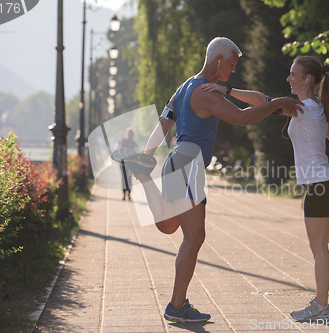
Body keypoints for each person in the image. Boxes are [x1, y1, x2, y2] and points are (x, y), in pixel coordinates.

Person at [113, 37, 304, 323]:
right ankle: (176, 306)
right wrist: (276, 103)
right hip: (188, 165)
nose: (233, 70)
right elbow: (241, 119)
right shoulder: (206, 93)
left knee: (169, 226)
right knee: (194, 237)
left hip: (177, 162)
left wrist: (148, 154)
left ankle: (144, 176)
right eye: (231, 64)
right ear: (217, 61)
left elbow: (163, 122)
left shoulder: (183, 88)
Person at [201, 55, 329, 321]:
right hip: (323, 182)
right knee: (321, 241)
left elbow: (262, 101)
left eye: (293, 74)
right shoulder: (317, 108)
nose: (288, 79)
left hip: (318, 184)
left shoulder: (302, 107)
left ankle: (321, 306)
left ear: (307, 79)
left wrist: (226, 90)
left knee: (319, 245)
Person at [115, 127, 138, 200]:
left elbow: (117, 149)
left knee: (123, 177)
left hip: (123, 162)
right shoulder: (134, 142)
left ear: (127, 134)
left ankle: (124, 194)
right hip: (130, 163)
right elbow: (137, 152)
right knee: (129, 178)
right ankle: (129, 194)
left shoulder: (123, 141)